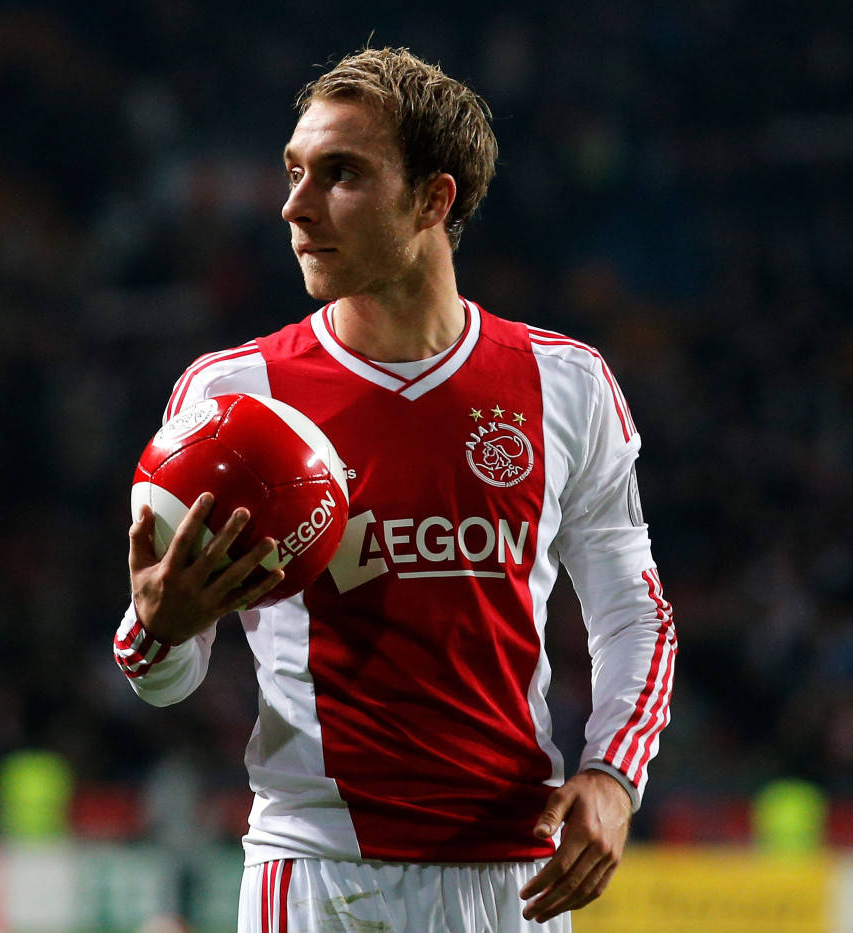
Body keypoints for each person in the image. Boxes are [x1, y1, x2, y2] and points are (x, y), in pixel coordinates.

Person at [113, 47, 675, 932]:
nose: (294, 206)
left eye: (341, 176)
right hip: (318, 872)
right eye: (294, 172)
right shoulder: (233, 394)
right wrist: (160, 626)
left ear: (433, 200)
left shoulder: (564, 382)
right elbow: (160, 676)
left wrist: (612, 773)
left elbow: (633, 611)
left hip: (515, 879)